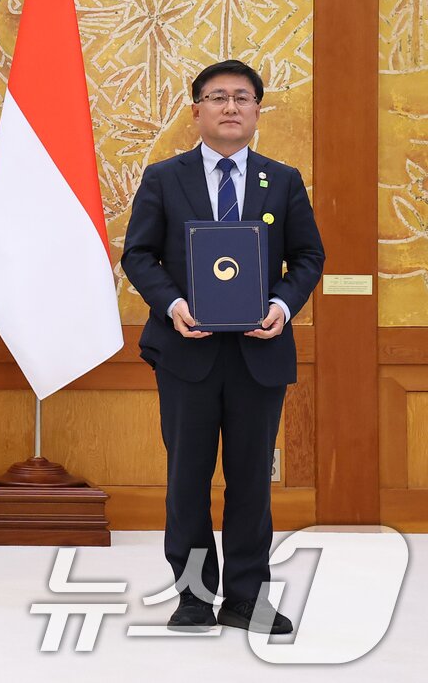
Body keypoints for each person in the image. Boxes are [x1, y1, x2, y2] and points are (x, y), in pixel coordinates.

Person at [121, 59, 324, 634]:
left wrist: (281, 306)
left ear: (258, 111)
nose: (230, 107)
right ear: (196, 111)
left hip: (259, 355)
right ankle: (193, 596)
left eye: (242, 98)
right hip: (186, 350)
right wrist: (173, 305)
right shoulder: (165, 177)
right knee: (187, 478)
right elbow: (139, 254)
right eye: (217, 97)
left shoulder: (281, 180)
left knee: (251, 480)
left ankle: (247, 598)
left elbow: (308, 256)